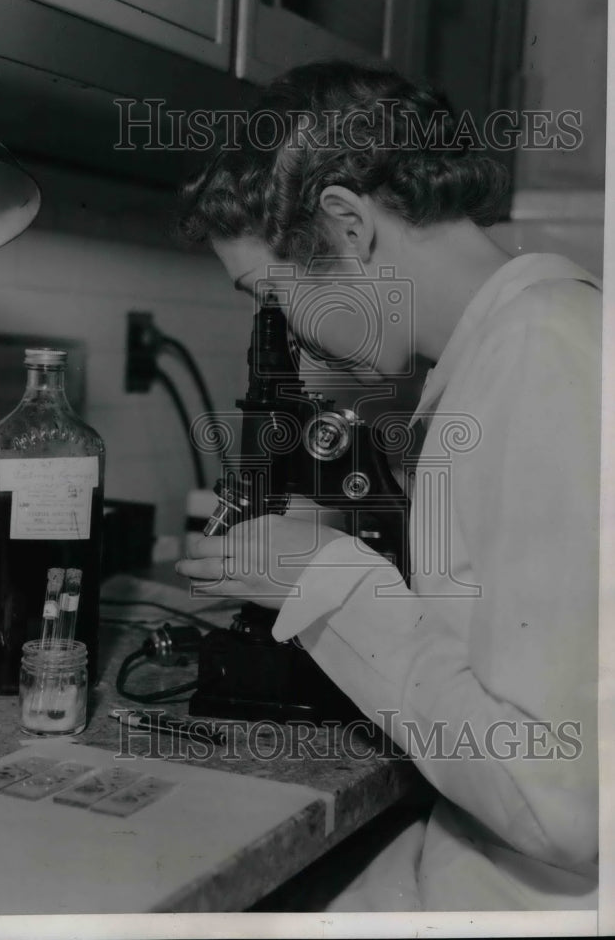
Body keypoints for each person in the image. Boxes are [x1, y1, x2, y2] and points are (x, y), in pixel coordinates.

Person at [174, 60, 600, 911]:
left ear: (345, 225)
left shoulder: (538, 359)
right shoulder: (536, 334)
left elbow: (560, 802)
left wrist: (325, 582)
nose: (294, 345)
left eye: (274, 297)